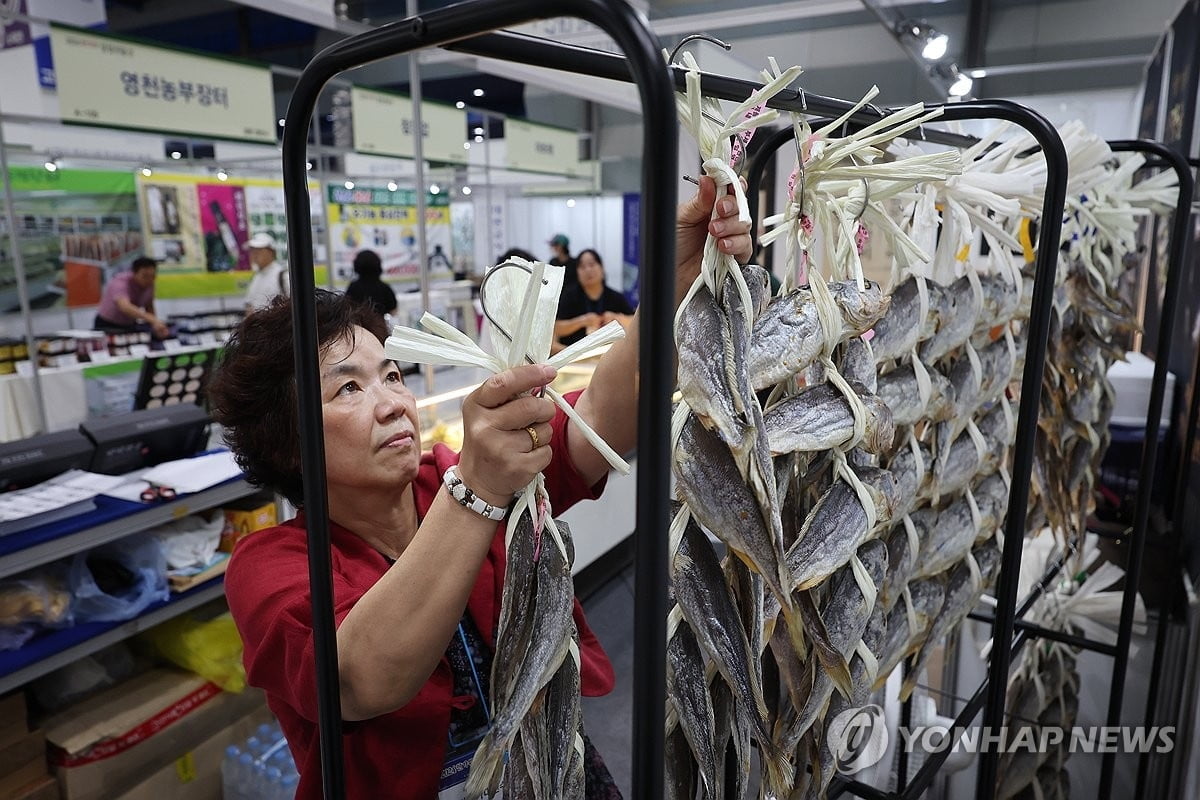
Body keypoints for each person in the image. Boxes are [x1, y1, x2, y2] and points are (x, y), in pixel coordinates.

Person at [205, 176, 751, 800]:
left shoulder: (446, 479)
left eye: (391, 374)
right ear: (288, 443)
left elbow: (599, 419)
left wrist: (674, 284)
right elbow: (360, 680)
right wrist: (478, 489)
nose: (392, 405)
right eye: (348, 389)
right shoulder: (270, 567)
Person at [554, 249, 635, 348]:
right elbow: (556, 328)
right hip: (575, 356)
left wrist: (616, 318)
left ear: (602, 268)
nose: (588, 270)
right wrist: (582, 321)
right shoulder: (569, 296)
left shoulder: (615, 297)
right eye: (582, 267)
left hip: (609, 355)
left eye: (592, 264)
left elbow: (634, 323)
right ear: (577, 272)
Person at [93, 256, 169, 338]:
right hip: (107, 324)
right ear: (134, 273)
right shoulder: (120, 282)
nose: (149, 280)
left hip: (129, 324)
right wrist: (152, 319)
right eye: (145, 276)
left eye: (153, 276)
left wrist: (155, 325)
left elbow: (149, 306)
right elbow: (125, 307)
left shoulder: (150, 284)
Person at [243, 233, 290, 314]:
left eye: (259, 250)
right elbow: (249, 304)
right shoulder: (256, 277)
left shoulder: (282, 276)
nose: (254, 254)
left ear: (271, 252)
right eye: (252, 250)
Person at [344, 249, 398, 319]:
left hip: (358, 326)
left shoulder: (353, 288)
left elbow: (347, 309)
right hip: (380, 327)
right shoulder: (384, 288)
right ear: (378, 265)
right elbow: (393, 311)